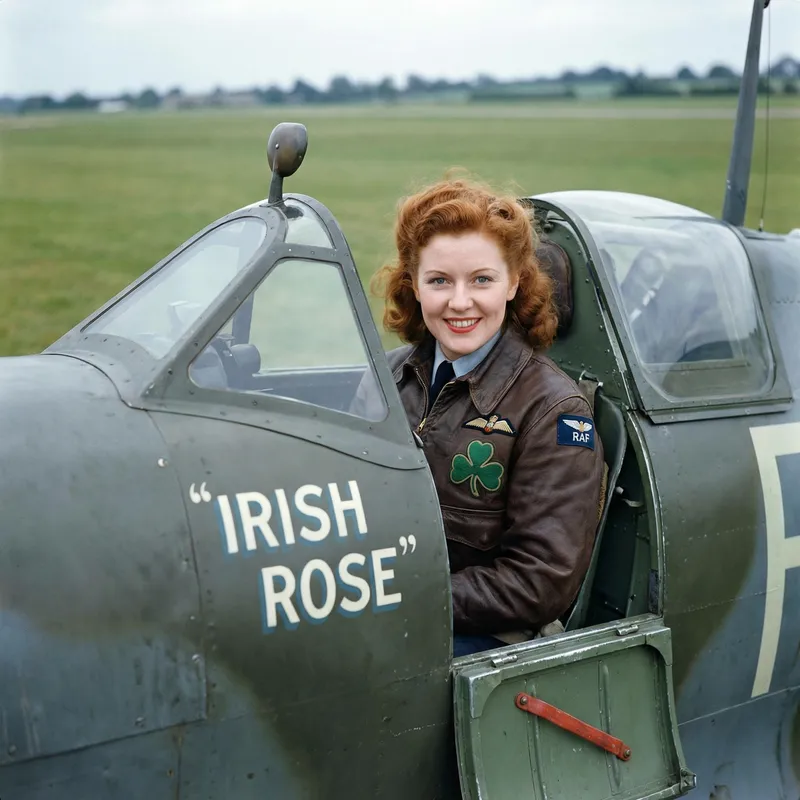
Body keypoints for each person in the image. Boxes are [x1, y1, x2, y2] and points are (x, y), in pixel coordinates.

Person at [371, 177, 606, 657]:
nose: (460, 302)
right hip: (391, 609)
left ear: (514, 282)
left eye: (482, 279)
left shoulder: (554, 412)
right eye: (439, 281)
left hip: (489, 639)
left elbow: (539, 583)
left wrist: (400, 598)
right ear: (413, 285)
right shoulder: (386, 378)